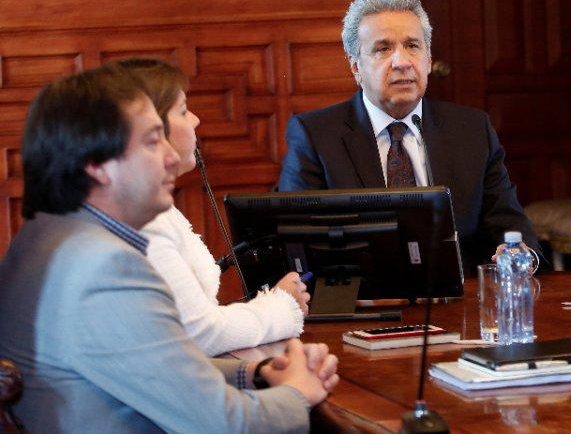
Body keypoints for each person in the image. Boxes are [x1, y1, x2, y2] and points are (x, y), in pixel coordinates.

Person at [0, 65, 339, 432]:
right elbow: (225, 424)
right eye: (152, 142)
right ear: (98, 166)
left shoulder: (45, 236)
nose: (171, 157)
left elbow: (151, 367)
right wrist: (298, 392)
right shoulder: (107, 268)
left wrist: (254, 372)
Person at [277, 0, 542, 271]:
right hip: (361, 293)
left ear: (428, 60)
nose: (401, 62)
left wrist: (521, 255)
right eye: (383, 48)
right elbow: (293, 241)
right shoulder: (315, 136)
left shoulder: (472, 130)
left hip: (457, 293)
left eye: (413, 46)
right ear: (355, 67)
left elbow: (509, 224)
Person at [116, 58, 308, 356]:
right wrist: (283, 304)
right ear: (152, 128)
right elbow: (200, 333)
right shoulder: (143, 220)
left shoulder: (157, 208)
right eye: (183, 111)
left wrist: (250, 372)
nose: (195, 120)